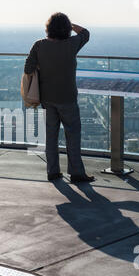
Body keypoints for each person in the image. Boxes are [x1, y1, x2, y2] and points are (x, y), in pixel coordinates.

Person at [24, 12, 95, 183]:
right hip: (68, 97)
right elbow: (85, 33)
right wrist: (70, 25)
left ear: (48, 28)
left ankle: (53, 172)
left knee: (50, 136)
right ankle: (77, 173)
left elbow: (28, 68)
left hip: (47, 98)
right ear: (66, 29)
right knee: (73, 135)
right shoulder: (71, 44)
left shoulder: (39, 45)